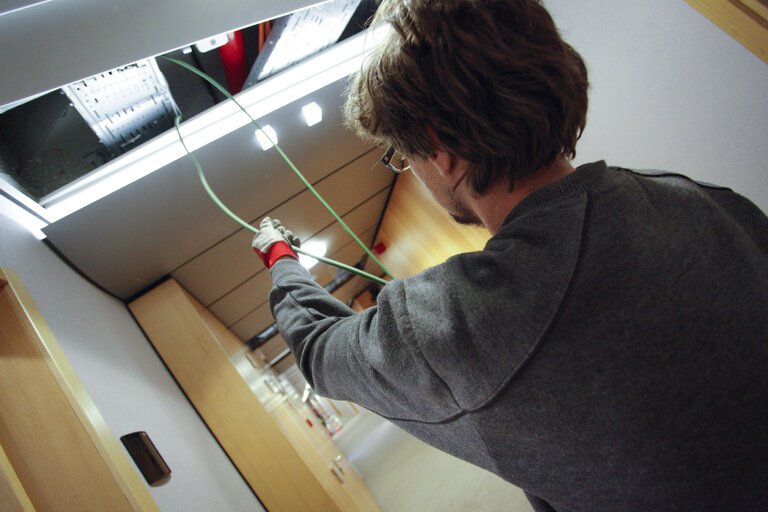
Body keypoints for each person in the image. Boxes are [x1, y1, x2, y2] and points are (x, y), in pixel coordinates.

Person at [251, 1, 768, 510]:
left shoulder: (456, 323)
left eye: (401, 155)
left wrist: (279, 255)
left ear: (438, 147)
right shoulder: (705, 202)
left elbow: (319, 348)